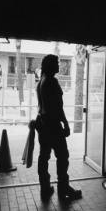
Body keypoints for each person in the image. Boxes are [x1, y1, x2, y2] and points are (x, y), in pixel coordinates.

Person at [36, 54, 81, 200]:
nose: (58, 65)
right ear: (50, 65)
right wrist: (65, 124)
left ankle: (45, 188)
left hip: (43, 125)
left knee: (44, 157)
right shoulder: (51, 82)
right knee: (62, 156)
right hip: (53, 126)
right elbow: (57, 108)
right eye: (56, 63)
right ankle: (63, 188)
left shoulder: (41, 81)